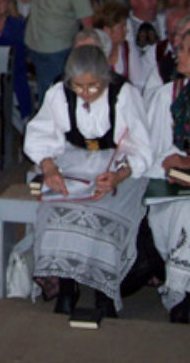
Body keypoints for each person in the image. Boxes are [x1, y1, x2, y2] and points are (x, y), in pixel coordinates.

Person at [24, 45, 152, 316]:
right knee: (58, 211)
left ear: (105, 78)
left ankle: (103, 292)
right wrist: (49, 168)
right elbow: (40, 134)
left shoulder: (124, 94)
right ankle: (67, 287)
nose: (85, 93)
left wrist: (118, 176)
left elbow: (140, 146)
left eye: (93, 87)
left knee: (103, 212)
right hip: (74, 160)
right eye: (79, 87)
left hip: (117, 165)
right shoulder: (59, 93)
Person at [144, 30, 190, 323]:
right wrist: (174, 165)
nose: (178, 55)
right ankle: (183, 293)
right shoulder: (168, 95)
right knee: (180, 211)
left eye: (184, 49)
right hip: (176, 186)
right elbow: (154, 151)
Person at [25, 0, 95, 103]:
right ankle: (49, 126)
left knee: (45, 87)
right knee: (55, 94)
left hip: (34, 40)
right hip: (56, 47)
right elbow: (88, 25)